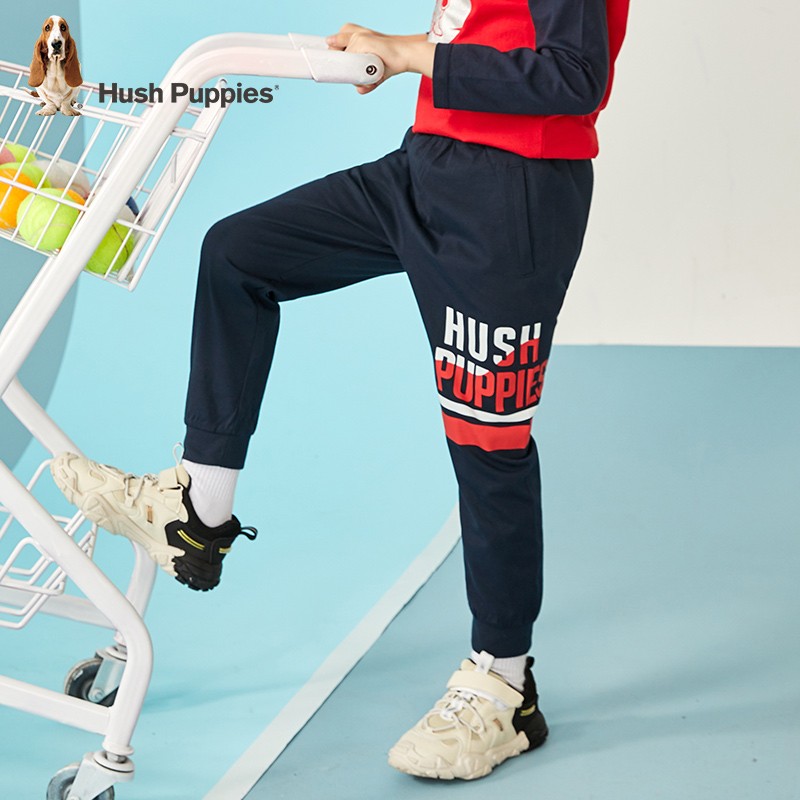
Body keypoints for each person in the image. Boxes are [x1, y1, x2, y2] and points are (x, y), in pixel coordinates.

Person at [51, 0, 629, 780]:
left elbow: (574, 75)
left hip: (511, 197)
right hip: (427, 165)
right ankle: (197, 513)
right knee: (239, 256)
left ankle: (504, 686)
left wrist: (412, 54)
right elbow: (491, 31)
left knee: (487, 444)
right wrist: (399, 50)